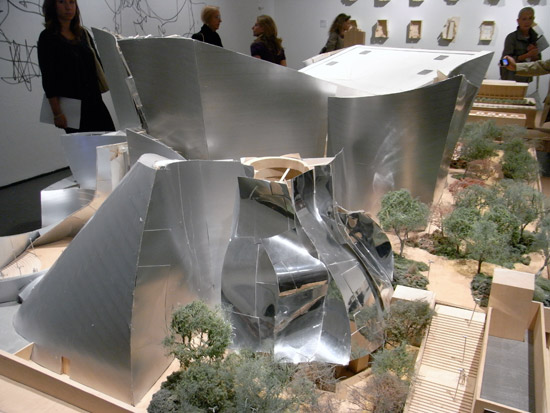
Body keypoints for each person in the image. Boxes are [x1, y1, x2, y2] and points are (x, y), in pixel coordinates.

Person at [38, 0, 115, 134]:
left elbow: (96, 65)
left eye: (72, 2)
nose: (68, 7)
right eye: (62, 2)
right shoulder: (48, 37)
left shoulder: (83, 33)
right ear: (53, 6)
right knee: (83, 145)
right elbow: (48, 78)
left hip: (95, 102)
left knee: (111, 141)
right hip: (72, 107)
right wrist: (57, 113)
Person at [500, 7, 541, 83]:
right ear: (518, 21)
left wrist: (534, 55)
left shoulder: (535, 37)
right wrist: (527, 55)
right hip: (511, 78)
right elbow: (503, 62)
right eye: (524, 19)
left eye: (530, 18)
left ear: (533, 19)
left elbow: (539, 62)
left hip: (526, 77)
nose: (527, 22)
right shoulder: (511, 38)